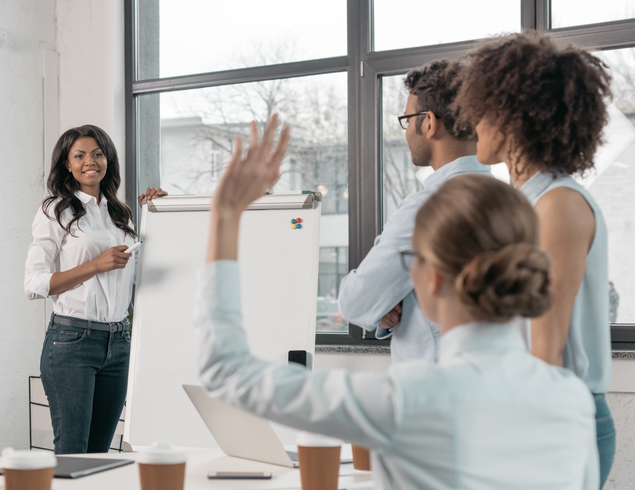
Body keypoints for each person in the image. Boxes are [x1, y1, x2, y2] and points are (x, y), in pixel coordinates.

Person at [196, 115, 598, 489]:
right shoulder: (571, 398)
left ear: (430, 278)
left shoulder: (405, 400)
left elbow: (225, 371)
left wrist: (225, 213)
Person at [456, 31, 615, 486]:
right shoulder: (528, 202)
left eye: (484, 111)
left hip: (562, 420)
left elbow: (547, 349)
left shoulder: (558, 205)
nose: (476, 124)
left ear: (512, 116)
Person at [24, 125, 166, 454]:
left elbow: (138, 279)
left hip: (118, 343)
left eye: (98, 153)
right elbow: (33, 284)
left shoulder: (121, 215)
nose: (91, 161)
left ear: (108, 160)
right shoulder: (56, 210)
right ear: (67, 165)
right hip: (72, 343)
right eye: (80, 155)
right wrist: (95, 265)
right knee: (73, 453)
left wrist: (158, 218)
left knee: (99, 454)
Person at [337, 60, 490, 363]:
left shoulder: (428, 207)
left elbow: (355, 302)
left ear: (429, 122)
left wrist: (382, 305)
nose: (407, 132)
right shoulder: (506, 200)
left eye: (408, 120)